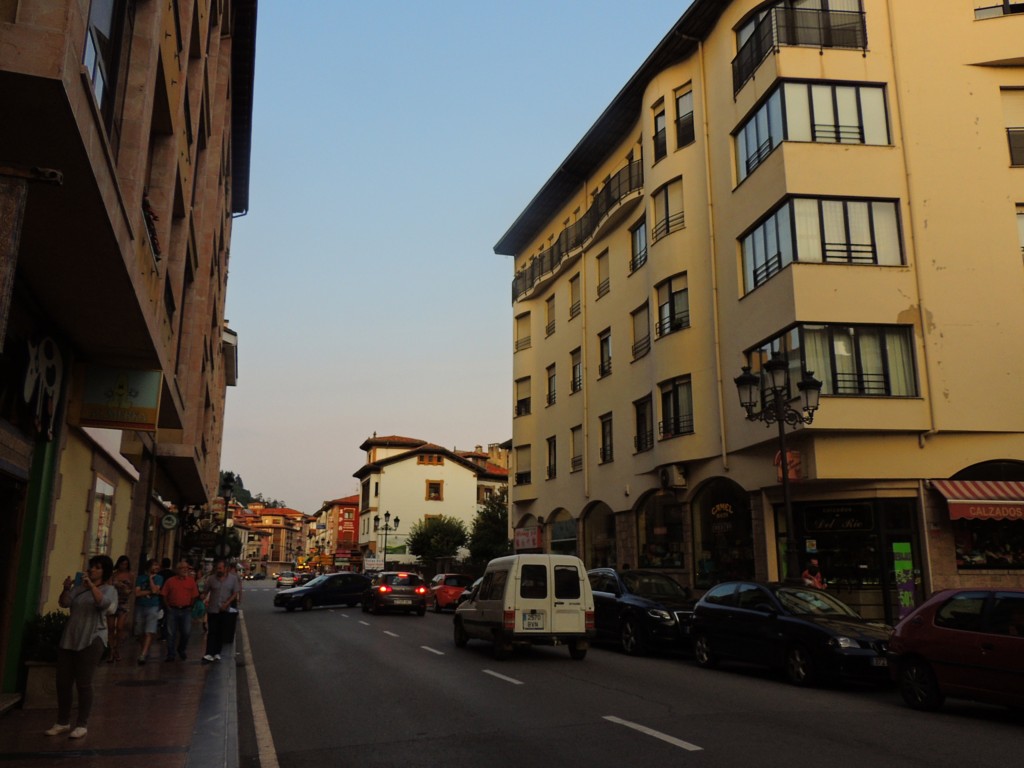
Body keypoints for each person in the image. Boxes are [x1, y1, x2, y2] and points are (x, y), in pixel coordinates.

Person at [45, 554, 117, 740]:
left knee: (84, 682)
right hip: (71, 637)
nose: (93, 570)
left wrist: (92, 586)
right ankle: (62, 721)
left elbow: (104, 605)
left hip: (92, 638)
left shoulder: (109, 589)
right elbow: (64, 603)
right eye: (92, 566)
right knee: (63, 681)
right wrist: (66, 589)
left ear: (105, 572)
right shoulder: (79, 588)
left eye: (98, 567)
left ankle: (82, 723)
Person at [202, 558, 242, 663]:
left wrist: (227, 603)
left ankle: (217, 653)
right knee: (212, 631)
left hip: (224, 609)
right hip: (213, 609)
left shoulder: (233, 579)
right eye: (217, 568)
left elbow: (235, 593)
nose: (218, 570)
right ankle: (209, 653)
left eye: (220, 568)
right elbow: (205, 591)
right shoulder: (211, 579)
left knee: (220, 632)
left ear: (226, 569)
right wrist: (203, 598)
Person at [160, 559, 199, 661]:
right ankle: (171, 654)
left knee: (186, 632)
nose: (184, 570)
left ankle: (181, 649)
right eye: (182, 568)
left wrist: (191, 606)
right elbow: (164, 594)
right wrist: (167, 606)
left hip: (186, 610)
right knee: (170, 633)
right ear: (177, 569)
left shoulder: (191, 581)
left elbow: (195, 595)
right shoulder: (170, 581)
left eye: (186, 568)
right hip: (173, 609)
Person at [133, 558, 164, 664]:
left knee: (148, 631)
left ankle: (143, 654)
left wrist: (151, 580)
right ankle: (144, 649)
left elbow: (155, 590)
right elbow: (137, 593)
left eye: (158, 565)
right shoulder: (140, 578)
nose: (157, 567)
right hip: (140, 606)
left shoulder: (159, 578)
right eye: (155, 565)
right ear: (149, 566)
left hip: (153, 606)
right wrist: (151, 591)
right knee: (139, 631)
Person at [108, 555, 134, 662]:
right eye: (122, 563)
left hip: (123, 603)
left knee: (119, 628)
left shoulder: (130, 575)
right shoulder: (113, 575)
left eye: (126, 564)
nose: (124, 566)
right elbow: (108, 586)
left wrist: (124, 588)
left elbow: (131, 589)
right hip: (112, 602)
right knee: (110, 628)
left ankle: (117, 649)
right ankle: (111, 651)